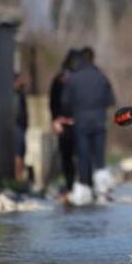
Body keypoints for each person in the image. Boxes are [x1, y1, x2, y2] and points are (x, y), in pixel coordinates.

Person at [61, 47, 116, 195]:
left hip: (81, 121)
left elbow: (65, 102)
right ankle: (102, 189)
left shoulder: (73, 78)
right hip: (99, 120)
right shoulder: (101, 77)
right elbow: (110, 101)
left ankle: (84, 186)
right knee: (99, 156)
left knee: (83, 154)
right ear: (93, 58)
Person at [49, 49, 82, 196]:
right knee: (68, 156)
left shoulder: (81, 78)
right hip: (65, 123)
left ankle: (79, 185)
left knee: (77, 156)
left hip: (78, 123)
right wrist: (55, 120)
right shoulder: (59, 79)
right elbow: (53, 102)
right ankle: (71, 185)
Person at [13, 72, 29, 181]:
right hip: (16, 126)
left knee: (22, 151)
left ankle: (20, 176)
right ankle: (17, 177)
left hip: (22, 126)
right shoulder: (13, 94)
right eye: (19, 80)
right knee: (18, 152)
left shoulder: (20, 93)